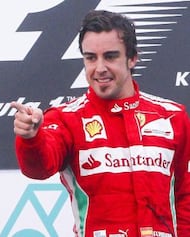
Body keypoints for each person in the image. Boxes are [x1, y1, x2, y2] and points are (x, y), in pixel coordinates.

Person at [11, 10, 190, 237]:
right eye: (91, 58)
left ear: (132, 57)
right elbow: (39, 168)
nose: (100, 68)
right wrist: (30, 138)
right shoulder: (66, 118)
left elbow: (185, 197)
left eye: (111, 56)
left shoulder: (172, 116)